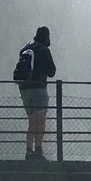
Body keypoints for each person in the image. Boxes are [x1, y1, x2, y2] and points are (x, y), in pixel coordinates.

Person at [13, 26, 56, 160]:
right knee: (41, 120)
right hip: (38, 89)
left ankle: (28, 151)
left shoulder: (25, 49)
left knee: (32, 122)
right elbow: (52, 72)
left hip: (24, 89)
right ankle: (38, 150)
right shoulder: (44, 50)